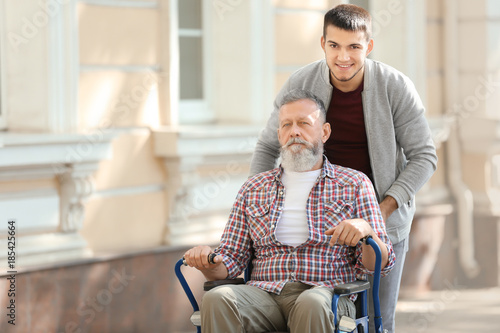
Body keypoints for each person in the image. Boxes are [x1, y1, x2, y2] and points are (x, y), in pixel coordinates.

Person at [249, 4, 438, 332]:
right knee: (317, 316)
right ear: (323, 44)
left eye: (353, 46)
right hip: (319, 229)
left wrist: (378, 215)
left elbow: (425, 156)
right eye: (334, 46)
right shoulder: (302, 81)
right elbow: (268, 147)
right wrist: (257, 204)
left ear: (369, 46)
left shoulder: (395, 86)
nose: (343, 57)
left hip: (382, 219)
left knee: (377, 323)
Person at [184, 90, 395, 333]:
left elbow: (381, 264)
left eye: (304, 123)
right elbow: (230, 261)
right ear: (279, 135)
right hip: (264, 295)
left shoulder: (354, 184)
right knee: (217, 297)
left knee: (311, 302)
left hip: (328, 295)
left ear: (325, 132)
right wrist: (206, 261)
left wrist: (366, 233)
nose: (295, 131)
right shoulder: (253, 188)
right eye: (287, 125)